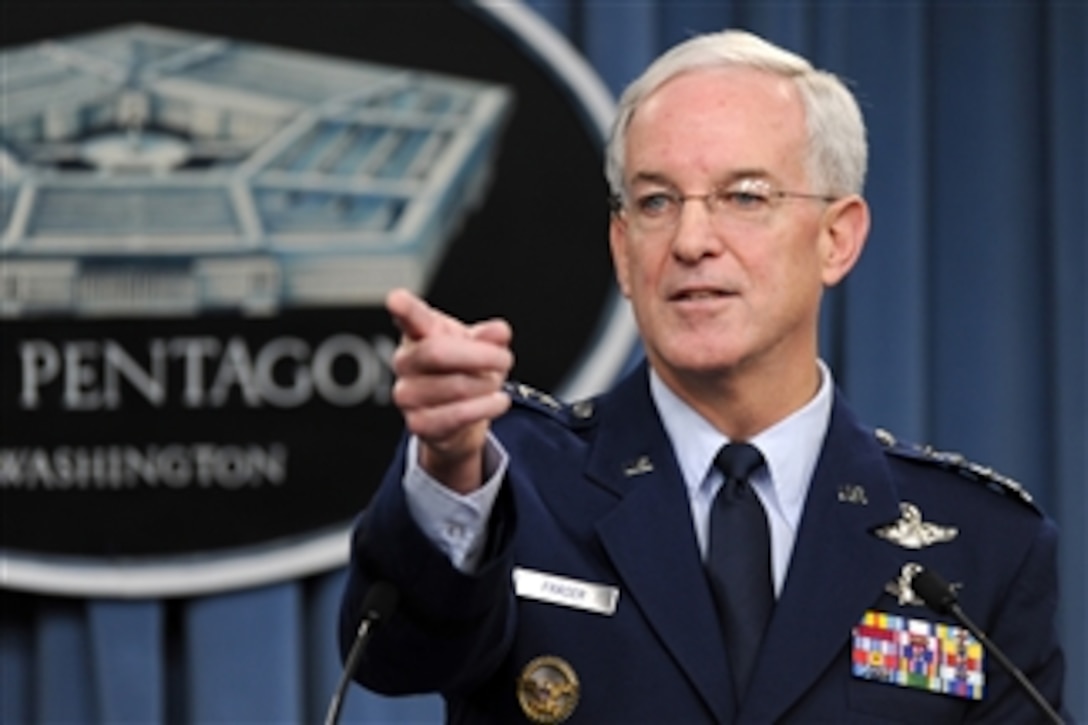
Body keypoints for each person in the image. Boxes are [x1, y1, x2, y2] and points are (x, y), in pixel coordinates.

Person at [339, 29, 1066, 723]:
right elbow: (401, 659)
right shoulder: (514, 483)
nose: (691, 241)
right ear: (623, 250)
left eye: (744, 196)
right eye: (656, 202)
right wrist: (446, 463)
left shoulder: (978, 546)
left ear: (837, 238)